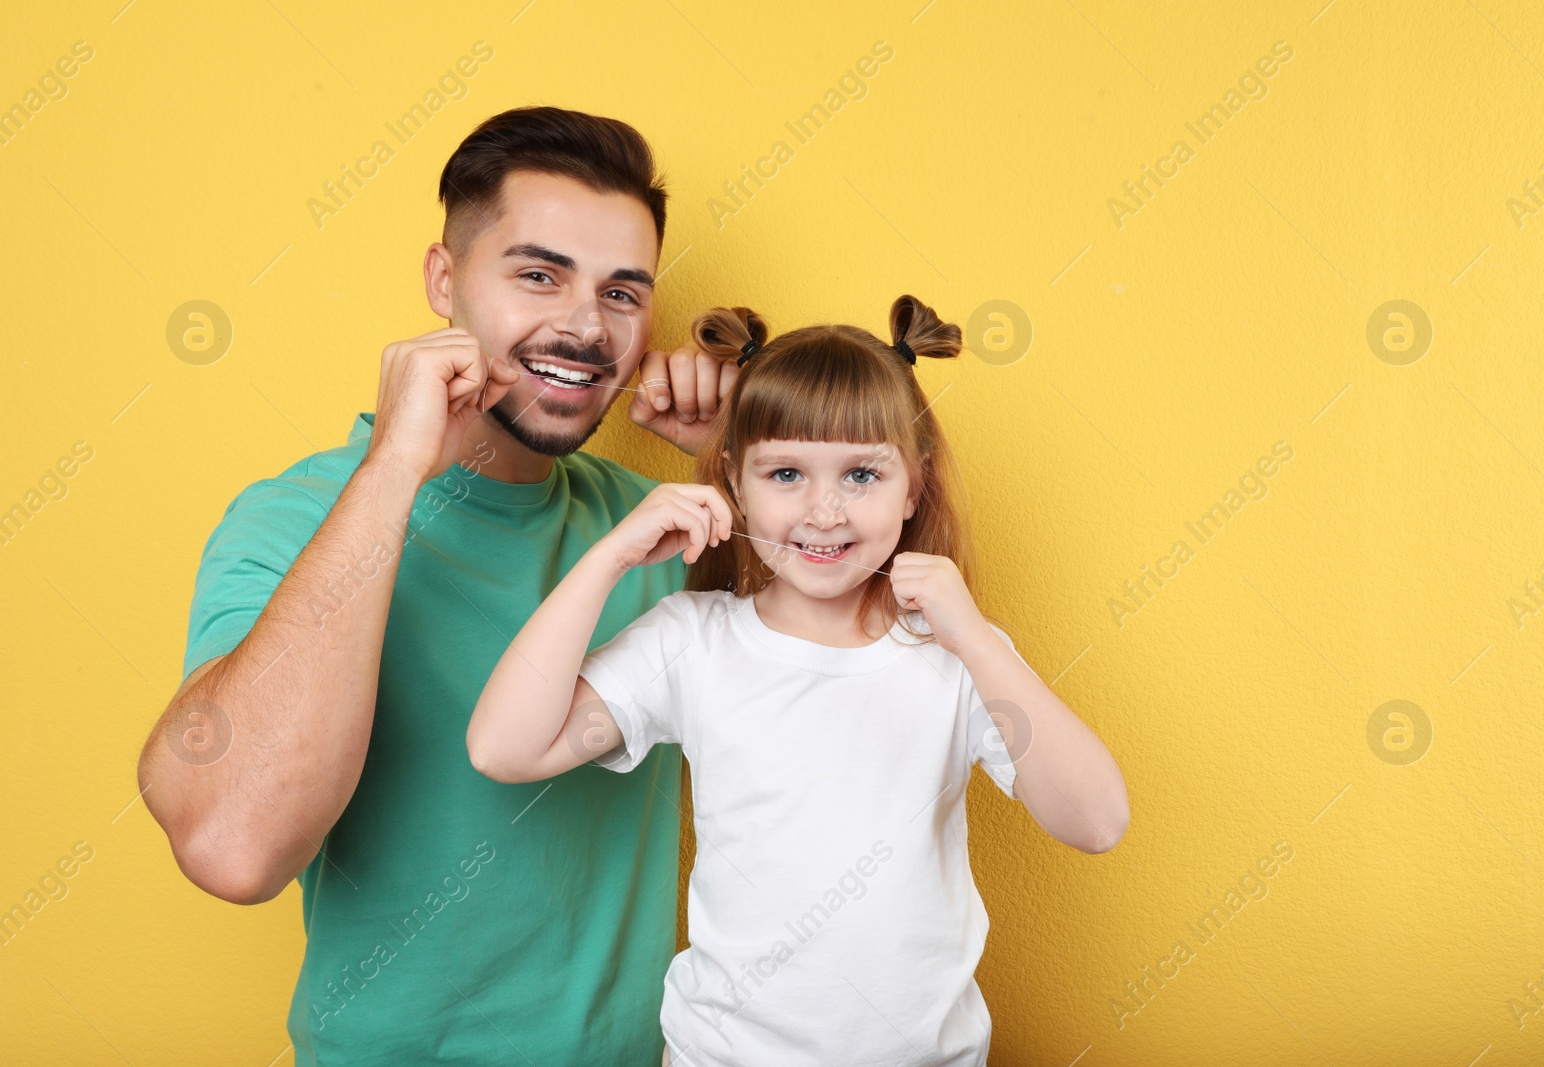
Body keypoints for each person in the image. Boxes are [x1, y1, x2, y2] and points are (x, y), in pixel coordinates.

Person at [136, 106, 738, 1065]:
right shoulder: (294, 520)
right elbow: (233, 848)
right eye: (538, 274)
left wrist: (742, 466)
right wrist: (394, 472)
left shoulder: (657, 530)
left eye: (623, 293)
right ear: (443, 280)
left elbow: (841, 694)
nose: (587, 326)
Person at [466, 295, 1131, 1066]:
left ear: (912, 489)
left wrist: (975, 638)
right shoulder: (695, 644)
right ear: (735, 485)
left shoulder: (958, 657)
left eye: (861, 473)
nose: (825, 509)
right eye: (786, 472)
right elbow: (503, 747)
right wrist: (609, 555)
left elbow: (1097, 820)